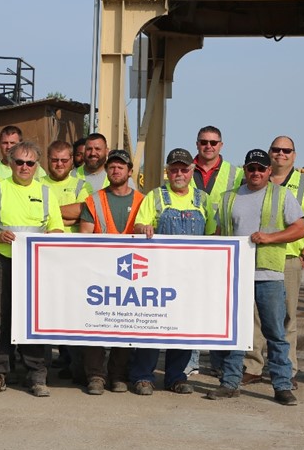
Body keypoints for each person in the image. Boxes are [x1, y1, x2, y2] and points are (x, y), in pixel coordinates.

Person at [206, 149, 304, 406]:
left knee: (274, 332)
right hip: (237, 274)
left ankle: (282, 385)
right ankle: (230, 383)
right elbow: (220, 233)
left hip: (268, 274)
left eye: (261, 168)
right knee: (236, 333)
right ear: (245, 170)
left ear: (269, 171)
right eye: (252, 168)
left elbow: (299, 229)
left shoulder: (281, 195)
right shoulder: (229, 198)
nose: (256, 173)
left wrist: (270, 238)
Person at [0, 141, 64, 397]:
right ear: (10, 163)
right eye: (19, 162)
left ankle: (36, 374)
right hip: (3, 261)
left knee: (33, 319)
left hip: (35, 264)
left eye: (30, 163)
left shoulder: (47, 193)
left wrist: (47, 237)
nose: (24, 167)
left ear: (37, 166)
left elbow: (58, 229)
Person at [129, 148, 216, 395]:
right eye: (174, 169)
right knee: (152, 325)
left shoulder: (203, 200)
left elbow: (213, 236)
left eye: (184, 169)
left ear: (191, 171)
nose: (179, 173)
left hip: (191, 276)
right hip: (159, 275)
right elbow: (138, 225)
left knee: (183, 326)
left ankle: (176, 377)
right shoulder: (155, 197)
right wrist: (143, 227)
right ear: (168, 172)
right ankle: (143, 376)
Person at [242, 136, 304, 387]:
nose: (281, 154)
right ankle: (252, 367)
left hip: (288, 259)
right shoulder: (251, 179)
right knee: (252, 316)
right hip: (254, 258)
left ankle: (286, 370)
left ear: (294, 155)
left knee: (287, 318)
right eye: (276, 150)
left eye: (286, 150)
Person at [78, 149, 144, 394]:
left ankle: (118, 375)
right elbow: (84, 235)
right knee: (95, 323)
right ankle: (95, 376)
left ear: (129, 171)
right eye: (112, 166)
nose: (116, 170)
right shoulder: (94, 200)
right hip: (98, 272)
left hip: (130, 273)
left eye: (121, 166)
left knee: (125, 324)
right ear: (107, 170)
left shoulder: (142, 201)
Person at [186, 125, 242, 377]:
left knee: (220, 309)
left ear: (221, 145)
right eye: (204, 142)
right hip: (189, 248)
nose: (208, 146)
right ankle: (190, 361)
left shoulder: (235, 173)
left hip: (222, 249)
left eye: (213, 142)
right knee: (190, 306)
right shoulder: (184, 167)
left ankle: (219, 364)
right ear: (197, 144)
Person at [41, 140, 94, 381]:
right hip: (42, 259)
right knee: (42, 314)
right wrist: (65, 215)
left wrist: (50, 214)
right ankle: (40, 368)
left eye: (64, 160)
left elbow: (85, 212)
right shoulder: (37, 183)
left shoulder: (81, 185)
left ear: (73, 160)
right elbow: (35, 217)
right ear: (48, 161)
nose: (60, 164)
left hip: (73, 259)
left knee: (73, 314)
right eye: (55, 160)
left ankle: (75, 366)